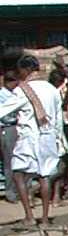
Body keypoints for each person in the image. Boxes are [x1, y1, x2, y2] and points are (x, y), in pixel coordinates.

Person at [0, 53, 62, 230]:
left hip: (29, 137)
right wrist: (57, 139)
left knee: (18, 173)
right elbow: (57, 118)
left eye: (20, 70)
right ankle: (44, 218)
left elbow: (3, 110)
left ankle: (29, 217)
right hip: (48, 137)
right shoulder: (51, 89)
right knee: (44, 176)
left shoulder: (22, 90)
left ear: (26, 70)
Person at [48, 63, 68, 203]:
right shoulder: (61, 93)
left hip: (50, 130)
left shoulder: (48, 92)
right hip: (63, 127)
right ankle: (42, 188)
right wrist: (66, 69)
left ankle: (55, 193)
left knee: (58, 162)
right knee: (67, 161)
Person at [1, 54, 22, 203]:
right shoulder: (2, 95)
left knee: (22, 160)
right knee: (9, 161)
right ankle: (10, 191)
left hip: (20, 128)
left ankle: (22, 190)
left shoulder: (18, 94)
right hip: (8, 128)